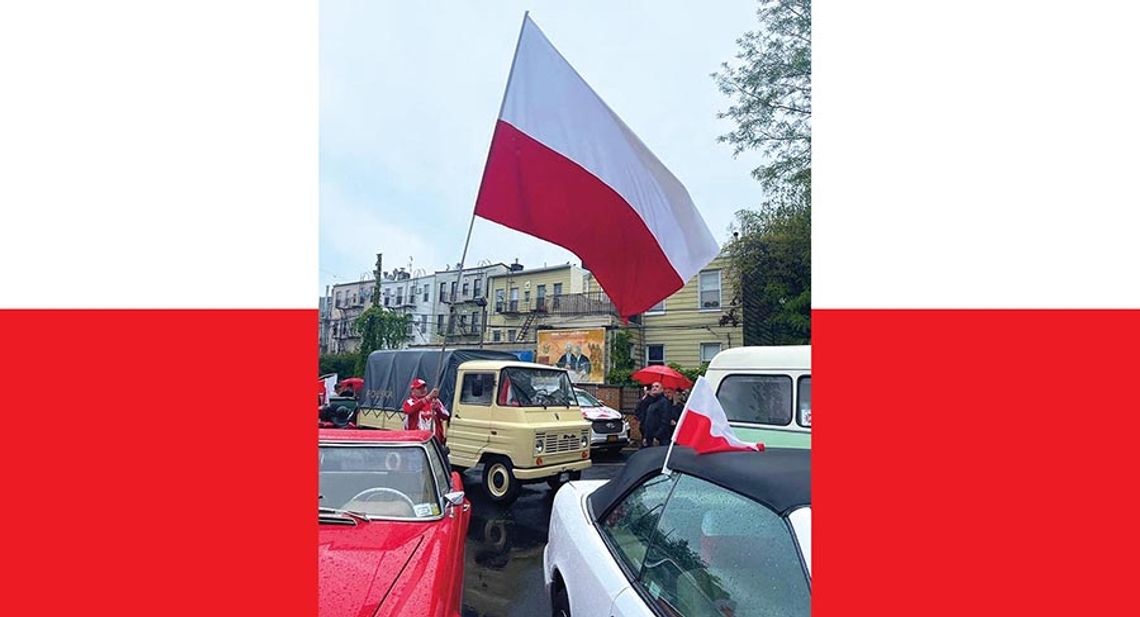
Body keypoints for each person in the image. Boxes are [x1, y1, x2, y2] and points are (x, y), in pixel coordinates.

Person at [402, 377, 450, 444]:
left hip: (434, 442)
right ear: (412, 390)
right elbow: (409, 410)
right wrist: (428, 397)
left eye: (424, 387)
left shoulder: (435, 401)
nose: (423, 390)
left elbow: (446, 416)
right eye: (419, 388)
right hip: (417, 441)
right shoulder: (410, 402)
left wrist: (437, 408)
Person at [636, 382, 664, 448]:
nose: (654, 389)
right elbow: (638, 411)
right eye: (652, 387)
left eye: (656, 386)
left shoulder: (662, 402)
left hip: (656, 435)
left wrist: (657, 436)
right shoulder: (646, 400)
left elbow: (663, 421)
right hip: (646, 431)